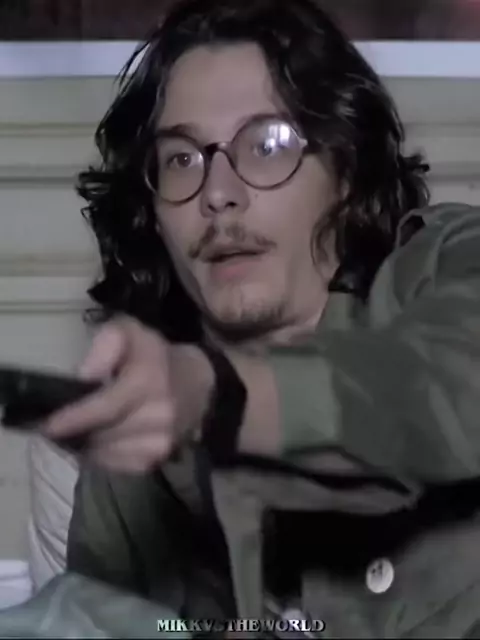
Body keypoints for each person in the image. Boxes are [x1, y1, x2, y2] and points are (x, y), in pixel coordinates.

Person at [37, 0, 480, 636]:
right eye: (181, 158)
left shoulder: (446, 263)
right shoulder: (133, 450)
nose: (219, 194)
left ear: (346, 170)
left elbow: (450, 380)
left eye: (267, 145)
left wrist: (221, 399)